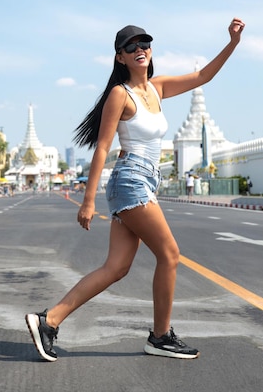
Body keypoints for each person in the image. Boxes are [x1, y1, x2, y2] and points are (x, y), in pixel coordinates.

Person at [26, 18, 245, 361]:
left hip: (145, 182)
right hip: (130, 180)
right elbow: (102, 147)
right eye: (131, 47)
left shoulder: (157, 89)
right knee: (170, 254)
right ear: (120, 58)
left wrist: (232, 42)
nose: (139, 50)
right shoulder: (120, 94)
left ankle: (48, 320)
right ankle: (160, 336)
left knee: (116, 268)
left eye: (144, 44)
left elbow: (204, 77)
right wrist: (87, 201)